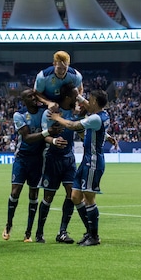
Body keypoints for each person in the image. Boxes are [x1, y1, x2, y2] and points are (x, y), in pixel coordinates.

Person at [49, 88, 116, 246]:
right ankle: (90, 231)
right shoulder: (102, 114)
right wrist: (77, 94)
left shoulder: (96, 118)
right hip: (86, 161)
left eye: (89, 99)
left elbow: (72, 125)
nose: (87, 102)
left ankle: (94, 236)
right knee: (75, 196)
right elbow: (87, 104)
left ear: (94, 102)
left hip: (93, 162)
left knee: (89, 199)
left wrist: (57, 118)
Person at [3, 89, 62, 243]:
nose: (33, 98)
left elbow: (55, 107)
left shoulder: (44, 112)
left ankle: (28, 232)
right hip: (22, 158)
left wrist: (48, 103)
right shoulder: (19, 115)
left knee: (34, 194)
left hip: (38, 159)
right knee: (15, 192)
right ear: (24, 100)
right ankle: (9, 224)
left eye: (34, 95)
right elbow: (27, 138)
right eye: (29, 96)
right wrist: (47, 132)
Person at [32, 83, 79, 244]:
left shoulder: (75, 112)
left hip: (69, 159)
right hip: (52, 158)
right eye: (75, 96)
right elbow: (44, 135)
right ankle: (39, 232)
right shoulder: (50, 112)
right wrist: (53, 140)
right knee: (48, 197)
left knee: (71, 194)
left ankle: (63, 232)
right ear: (67, 97)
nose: (77, 99)